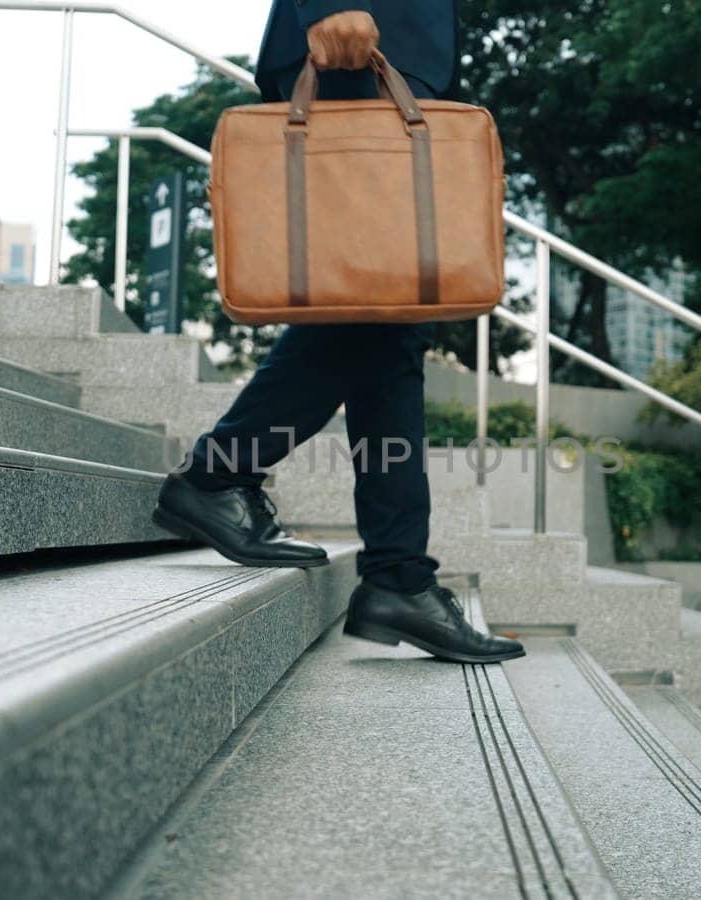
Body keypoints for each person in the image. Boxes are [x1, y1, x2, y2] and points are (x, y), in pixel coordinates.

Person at [151, 1, 524, 665]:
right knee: (377, 311)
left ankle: (390, 570)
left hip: (404, 45)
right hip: (360, 35)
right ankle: (233, 486)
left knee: (385, 319)